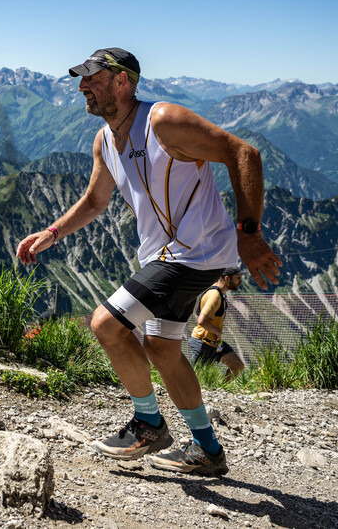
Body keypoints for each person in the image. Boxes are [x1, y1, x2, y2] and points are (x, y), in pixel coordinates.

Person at [16, 47, 281, 477]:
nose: (82, 86)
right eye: (82, 79)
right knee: (162, 348)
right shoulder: (105, 139)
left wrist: (248, 234)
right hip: (162, 256)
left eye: (92, 79)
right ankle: (207, 450)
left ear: (122, 81)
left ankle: (149, 423)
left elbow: (244, 154)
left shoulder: (162, 122)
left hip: (195, 255)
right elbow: (95, 200)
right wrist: (53, 232)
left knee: (105, 324)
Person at [189, 267, 246, 380]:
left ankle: (220, 390)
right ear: (226, 278)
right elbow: (201, 320)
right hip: (203, 342)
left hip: (214, 343)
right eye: (238, 278)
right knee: (194, 379)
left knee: (237, 366)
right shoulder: (214, 295)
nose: (241, 281)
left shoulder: (219, 293)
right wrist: (217, 331)